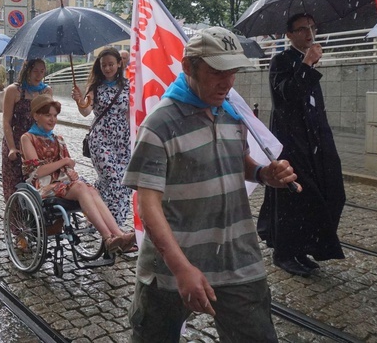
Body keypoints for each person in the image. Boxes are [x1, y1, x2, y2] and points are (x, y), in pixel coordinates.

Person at [123, 26, 300, 343]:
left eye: (233, 71)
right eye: (218, 71)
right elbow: (147, 206)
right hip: (169, 271)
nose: (228, 81)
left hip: (237, 261)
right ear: (188, 67)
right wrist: (181, 269)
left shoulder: (231, 112)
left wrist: (262, 174)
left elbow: (238, 161)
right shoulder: (160, 124)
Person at [257, 13, 346, 277]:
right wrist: (306, 64)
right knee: (295, 195)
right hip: (291, 140)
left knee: (333, 191)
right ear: (289, 34)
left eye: (312, 28)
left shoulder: (307, 59)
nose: (309, 33)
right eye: (303, 29)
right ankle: (285, 252)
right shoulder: (281, 61)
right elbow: (288, 96)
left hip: (317, 137)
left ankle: (306, 245)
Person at [21, 94, 136, 253]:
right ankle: (107, 237)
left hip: (63, 184)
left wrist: (71, 172)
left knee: (91, 189)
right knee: (82, 187)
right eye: (47, 115)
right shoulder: (27, 138)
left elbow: (68, 166)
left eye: (55, 115)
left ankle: (118, 235)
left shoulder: (58, 139)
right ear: (36, 116)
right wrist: (64, 163)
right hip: (42, 186)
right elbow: (36, 171)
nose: (52, 119)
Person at [71, 48, 133, 234]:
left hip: (123, 142)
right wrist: (78, 100)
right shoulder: (95, 88)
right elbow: (86, 111)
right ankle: (116, 230)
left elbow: (131, 114)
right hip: (100, 141)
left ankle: (92, 204)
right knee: (115, 181)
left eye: (111, 64)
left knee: (123, 183)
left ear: (119, 64)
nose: (107, 68)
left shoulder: (129, 86)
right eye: (103, 65)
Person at [1, 58, 52, 202]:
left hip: (37, 144)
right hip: (16, 143)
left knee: (39, 187)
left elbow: (50, 119)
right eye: (35, 71)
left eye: (42, 71)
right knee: (14, 187)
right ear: (27, 71)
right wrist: (11, 147)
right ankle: (14, 221)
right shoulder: (13, 90)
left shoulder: (46, 91)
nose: (39, 75)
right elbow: (6, 121)